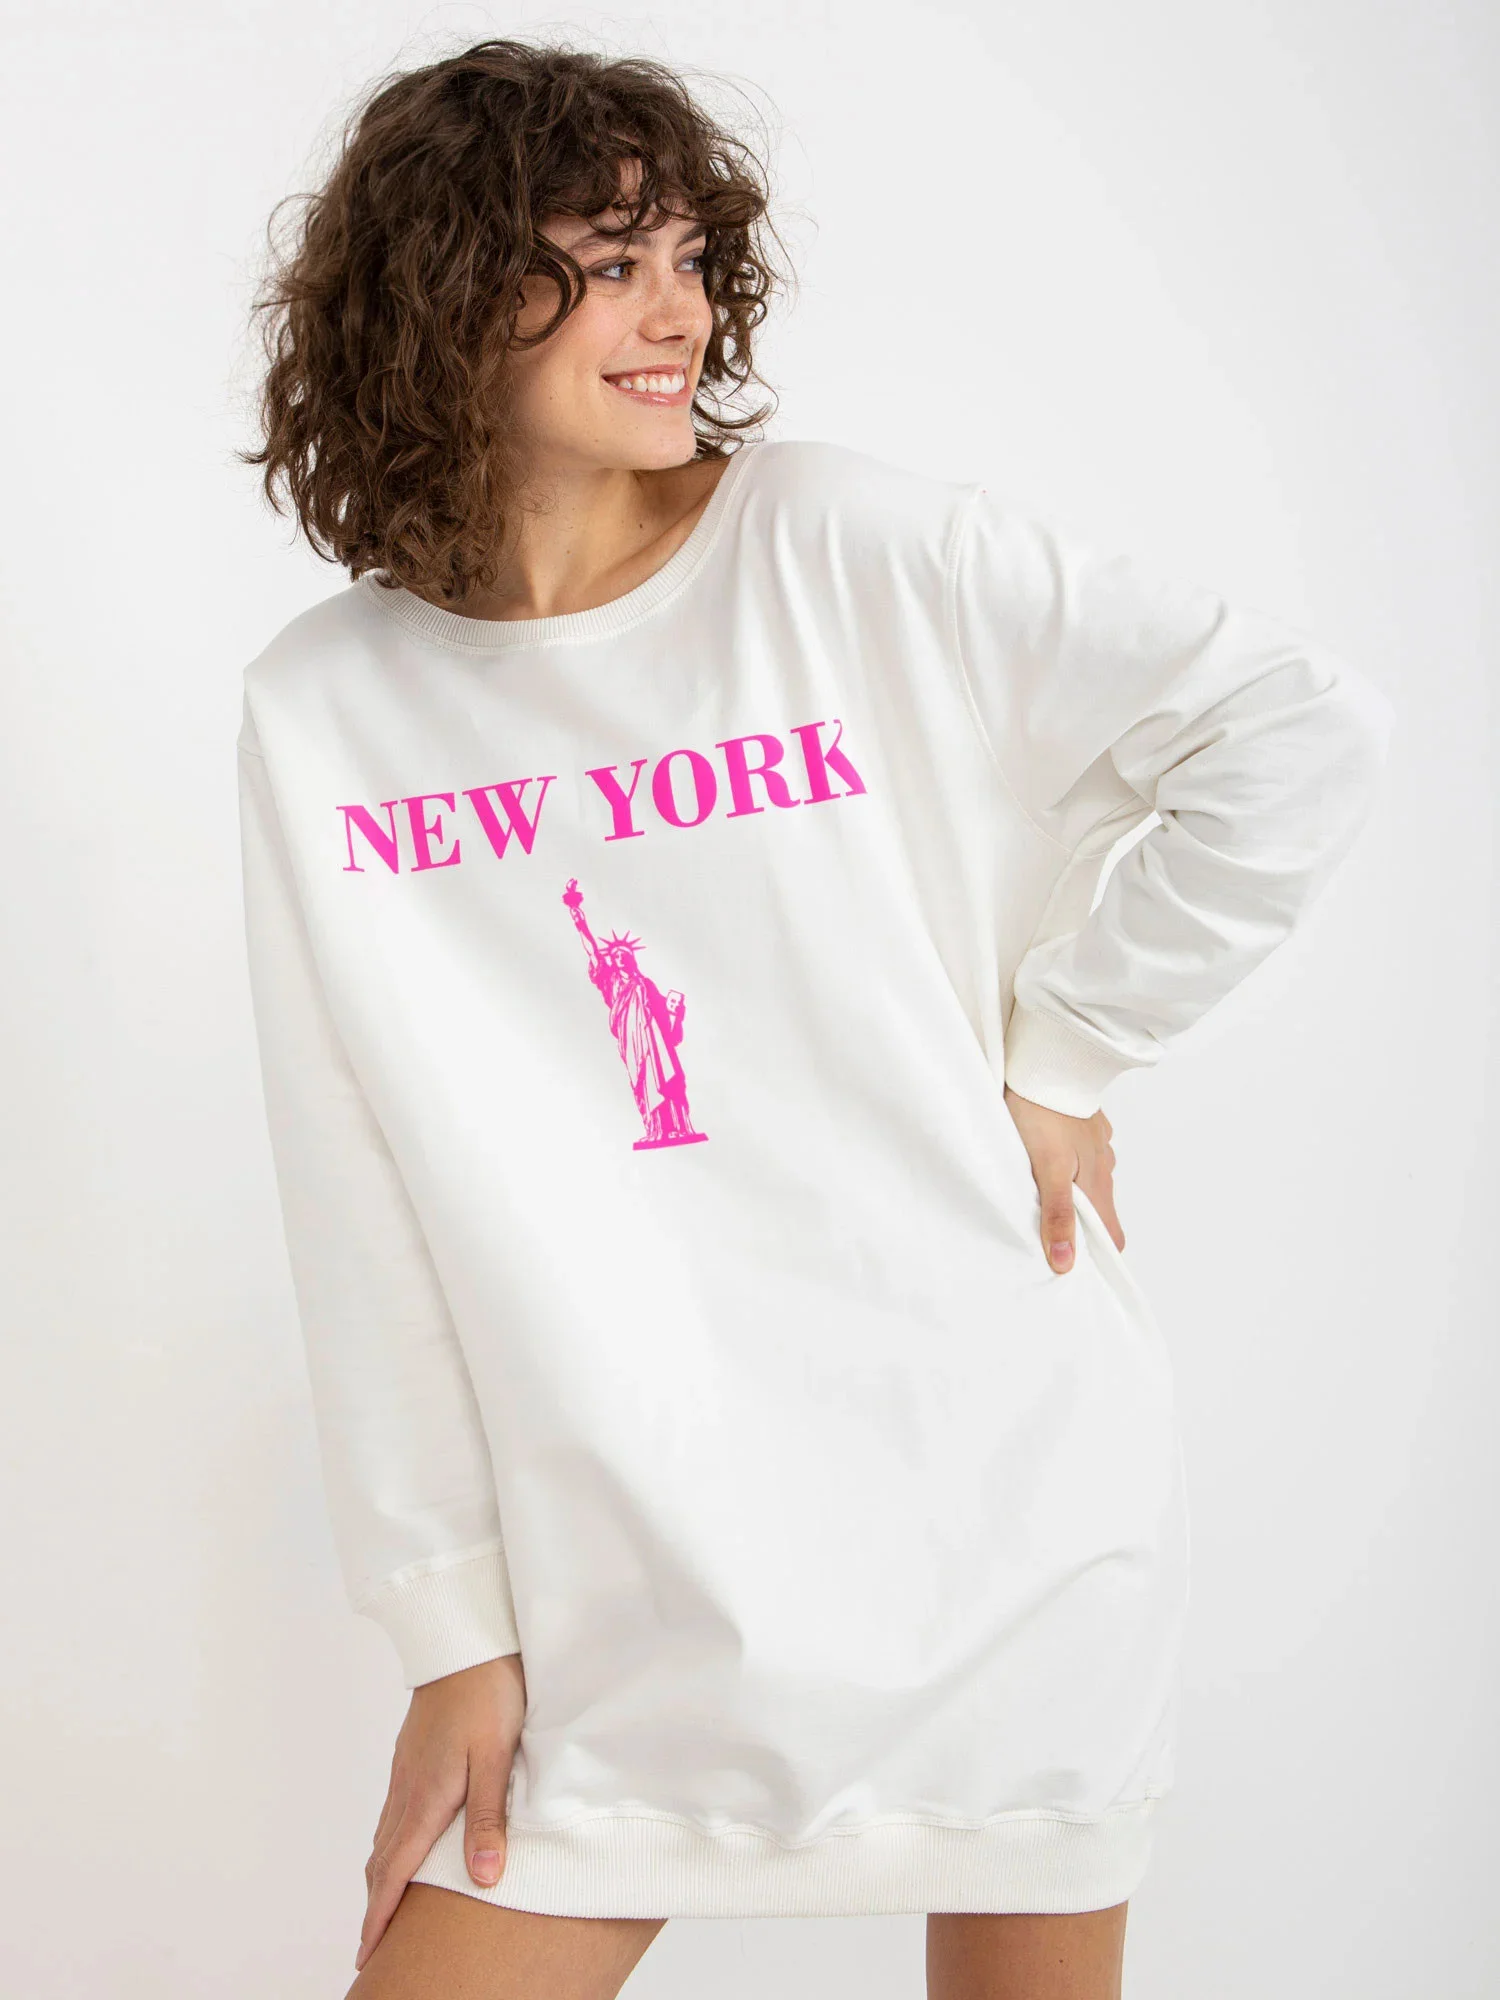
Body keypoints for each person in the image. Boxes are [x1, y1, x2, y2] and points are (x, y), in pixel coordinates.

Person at [234, 36, 1394, 2000]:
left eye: (691, 256)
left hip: (997, 1506)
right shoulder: (326, 707)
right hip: (630, 1577)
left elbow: (1295, 729)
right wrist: (453, 1629)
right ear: (440, 294)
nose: (677, 309)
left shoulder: (842, 548)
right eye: (607, 262)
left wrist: (1069, 1049)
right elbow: (355, 1186)